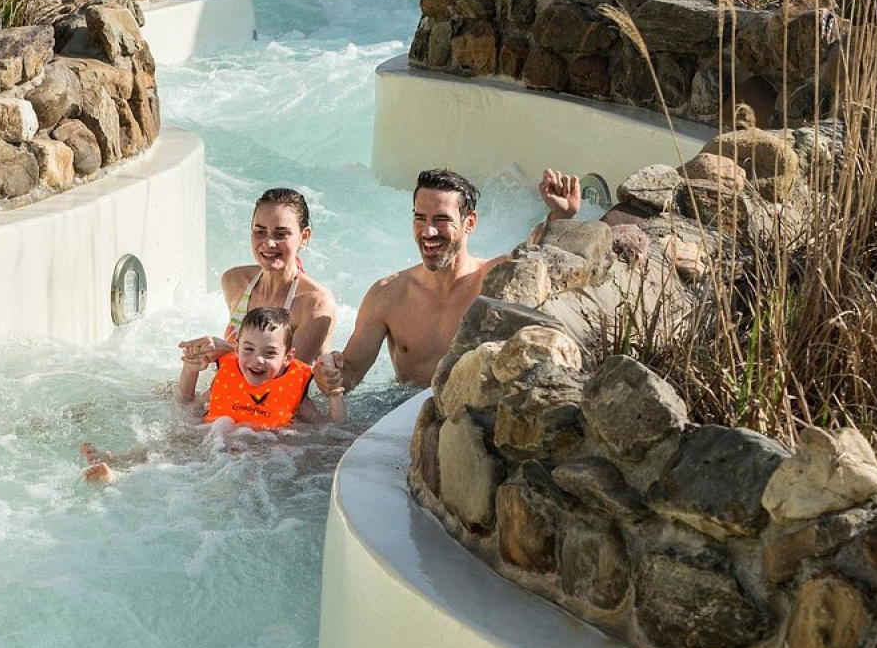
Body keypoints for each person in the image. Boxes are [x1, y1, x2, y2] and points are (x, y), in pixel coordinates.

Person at [314, 167, 581, 392]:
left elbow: (542, 261)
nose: (428, 232)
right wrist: (332, 376)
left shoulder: (496, 279)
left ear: (470, 223)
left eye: (441, 220)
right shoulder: (387, 294)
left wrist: (561, 217)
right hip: (405, 413)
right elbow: (351, 373)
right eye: (420, 218)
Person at [82, 307, 345, 483]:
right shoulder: (229, 376)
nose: (257, 360)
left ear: (288, 357)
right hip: (211, 439)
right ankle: (118, 466)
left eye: (270, 353)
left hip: (260, 452)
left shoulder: (295, 393)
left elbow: (333, 428)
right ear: (236, 348)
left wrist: (335, 393)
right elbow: (185, 401)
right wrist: (190, 369)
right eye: (249, 350)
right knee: (171, 443)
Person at [177, 188, 336, 369]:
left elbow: (290, 377)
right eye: (260, 232)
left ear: (304, 237)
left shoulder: (315, 303)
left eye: (281, 234)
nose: (268, 243)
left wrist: (227, 350)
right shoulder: (236, 281)